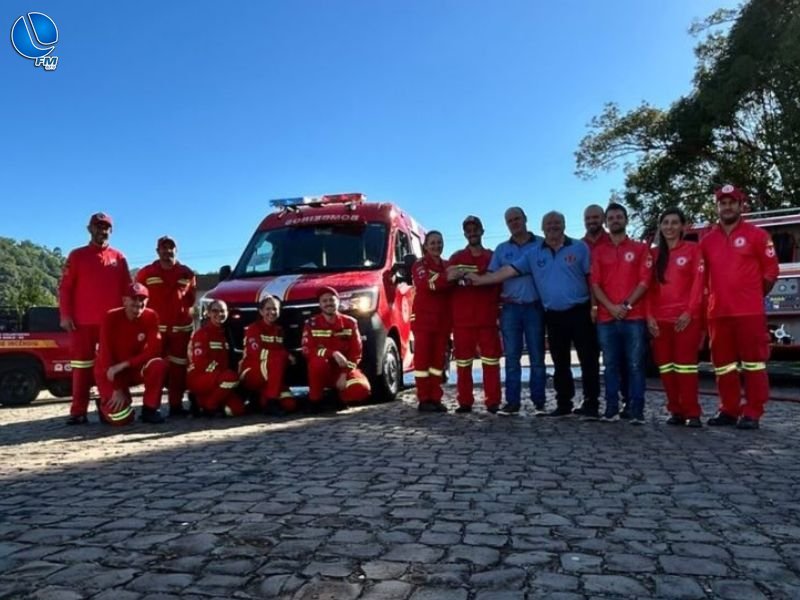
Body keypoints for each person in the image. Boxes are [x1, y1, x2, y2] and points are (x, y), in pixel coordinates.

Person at [469, 211, 600, 418]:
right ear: (542, 228)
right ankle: (562, 404)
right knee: (558, 362)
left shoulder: (579, 247)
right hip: (549, 314)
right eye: (548, 224)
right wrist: (478, 279)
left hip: (576, 311)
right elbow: (507, 271)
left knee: (586, 359)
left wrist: (594, 307)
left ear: (564, 224)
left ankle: (589, 404)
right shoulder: (534, 253)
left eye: (556, 223)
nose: (553, 227)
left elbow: (592, 279)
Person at [700, 184, 779, 429]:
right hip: (718, 313)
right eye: (722, 203)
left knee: (753, 364)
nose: (727, 207)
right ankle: (729, 409)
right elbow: (701, 278)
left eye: (731, 202)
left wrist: (753, 295)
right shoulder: (707, 241)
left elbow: (771, 272)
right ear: (717, 207)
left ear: (740, 205)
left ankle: (753, 412)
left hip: (749, 313)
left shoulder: (758, 235)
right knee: (723, 366)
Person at [59, 212, 132, 425]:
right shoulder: (76, 256)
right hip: (81, 323)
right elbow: (65, 288)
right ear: (89, 229)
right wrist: (65, 315)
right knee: (81, 367)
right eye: (98, 226)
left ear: (111, 230)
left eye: (106, 227)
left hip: (112, 324)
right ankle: (78, 412)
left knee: (112, 366)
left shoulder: (119, 257)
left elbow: (127, 289)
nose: (102, 230)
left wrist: (128, 318)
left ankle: (111, 406)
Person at [591, 203, 653, 424]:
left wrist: (626, 305)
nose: (615, 220)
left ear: (626, 220)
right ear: (606, 223)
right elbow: (595, 284)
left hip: (633, 317)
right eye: (611, 218)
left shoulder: (640, 248)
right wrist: (610, 307)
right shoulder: (599, 251)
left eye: (619, 217)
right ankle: (611, 409)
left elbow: (645, 281)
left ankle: (636, 410)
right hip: (606, 319)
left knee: (635, 365)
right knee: (610, 366)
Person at [646, 208, 705, 428]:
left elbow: (699, 284)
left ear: (683, 226)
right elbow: (647, 289)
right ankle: (676, 411)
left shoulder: (693, 250)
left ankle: (692, 412)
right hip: (660, 322)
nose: (669, 227)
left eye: (674, 222)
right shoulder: (653, 255)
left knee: (686, 368)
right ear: (660, 227)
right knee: (666, 368)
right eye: (665, 223)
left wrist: (689, 312)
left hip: (684, 320)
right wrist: (649, 317)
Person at [488, 207, 546, 415]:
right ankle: (512, 402)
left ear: (525, 219)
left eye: (517, 218)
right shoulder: (502, 249)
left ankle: (539, 402)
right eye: (510, 220)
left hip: (535, 307)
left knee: (537, 357)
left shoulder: (542, 244)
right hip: (510, 308)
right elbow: (491, 276)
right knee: (512, 358)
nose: (514, 223)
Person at [135, 236, 196, 417]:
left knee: (178, 369)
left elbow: (190, 299)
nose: (167, 251)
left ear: (176, 250)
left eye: (171, 248)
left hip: (180, 331)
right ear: (157, 251)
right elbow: (138, 298)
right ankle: (151, 407)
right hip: (156, 331)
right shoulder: (146, 273)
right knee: (156, 368)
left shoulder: (187, 273)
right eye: (164, 248)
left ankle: (176, 406)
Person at [447, 216, 502, 414]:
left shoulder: (492, 257)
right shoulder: (457, 257)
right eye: (468, 230)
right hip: (462, 321)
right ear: (465, 234)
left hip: (487, 319)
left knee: (491, 362)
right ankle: (465, 401)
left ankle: (493, 401)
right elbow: (447, 278)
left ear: (482, 231)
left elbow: (499, 283)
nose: (472, 233)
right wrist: (457, 274)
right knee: (463, 363)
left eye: (475, 229)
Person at [94, 283, 167, 425]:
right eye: (133, 303)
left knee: (158, 365)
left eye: (142, 303)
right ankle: (105, 404)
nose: (137, 308)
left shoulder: (151, 316)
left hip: (133, 368)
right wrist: (117, 388)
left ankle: (150, 409)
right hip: (110, 372)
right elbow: (105, 354)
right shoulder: (110, 317)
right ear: (124, 301)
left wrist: (125, 364)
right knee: (121, 418)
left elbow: (154, 350)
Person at [584, 202, 630, 417]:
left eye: (595, 218)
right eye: (588, 219)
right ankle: (592, 402)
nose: (592, 222)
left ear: (602, 219)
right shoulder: (579, 245)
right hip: (588, 309)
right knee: (591, 358)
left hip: (618, 309)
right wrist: (593, 305)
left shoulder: (612, 241)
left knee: (622, 359)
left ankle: (627, 401)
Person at [301, 286, 371, 410]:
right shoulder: (311, 324)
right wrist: (332, 353)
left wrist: (344, 374)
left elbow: (356, 353)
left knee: (361, 389)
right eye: (324, 301)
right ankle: (315, 400)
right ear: (320, 304)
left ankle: (340, 398)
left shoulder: (350, 323)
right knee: (317, 363)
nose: (328, 303)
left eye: (331, 300)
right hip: (323, 368)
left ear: (338, 302)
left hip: (343, 369)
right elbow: (308, 350)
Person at [411, 231, 452, 413]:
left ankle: (435, 398)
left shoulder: (447, 265)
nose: (436, 246)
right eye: (433, 243)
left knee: (437, 363)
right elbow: (426, 283)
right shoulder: (419, 265)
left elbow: (446, 284)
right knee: (422, 362)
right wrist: (447, 278)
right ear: (426, 246)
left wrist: (442, 279)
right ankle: (424, 398)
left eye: (439, 242)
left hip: (442, 321)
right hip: (423, 320)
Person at [186, 300, 246, 417]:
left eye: (222, 311)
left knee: (237, 409)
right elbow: (200, 362)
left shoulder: (226, 332)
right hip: (201, 376)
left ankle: (201, 401)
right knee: (231, 377)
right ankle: (210, 406)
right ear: (208, 313)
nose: (219, 314)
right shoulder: (202, 334)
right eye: (215, 311)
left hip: (220, 380)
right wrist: (221, 373)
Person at [239, 295, 296, 415]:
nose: (272, 312)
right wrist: (285, 354)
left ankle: (259, 398)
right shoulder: (253, 328)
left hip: (271, 375)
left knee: (289, 405)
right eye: (268, 309)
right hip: (252, 371)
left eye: (275, 309)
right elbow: (256, 353)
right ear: (261, 311)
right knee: (278, 358)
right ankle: (271, 401)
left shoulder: (279, 330)